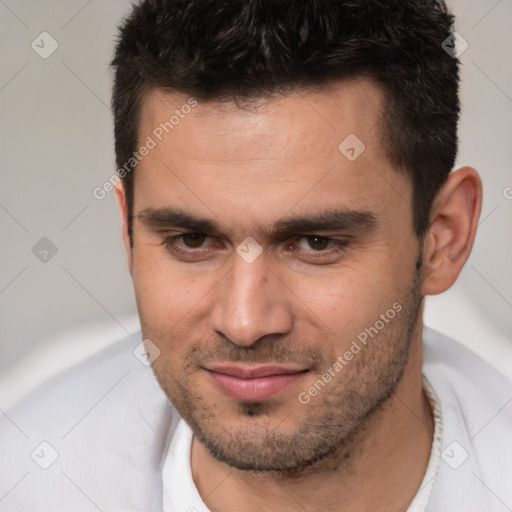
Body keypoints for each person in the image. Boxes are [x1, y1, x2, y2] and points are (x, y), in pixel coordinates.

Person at [1, 1, 511, 510]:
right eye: (192, 240)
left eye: (316, 242)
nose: (244, 323)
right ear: (128, 233)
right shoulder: (25, 475)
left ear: (444, 237)